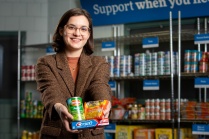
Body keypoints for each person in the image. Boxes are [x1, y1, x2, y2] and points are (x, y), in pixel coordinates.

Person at [35, 8, 112, 139]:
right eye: (71, 27)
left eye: (83, 29)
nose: (77, 33)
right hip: (57, 134)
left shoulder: (99, 63)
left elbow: (98, 85)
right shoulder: (46, 63)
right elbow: (50, 90)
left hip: (90, 134)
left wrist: (105, 103)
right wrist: (59, 107)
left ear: (88, 34)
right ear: (61, 31)